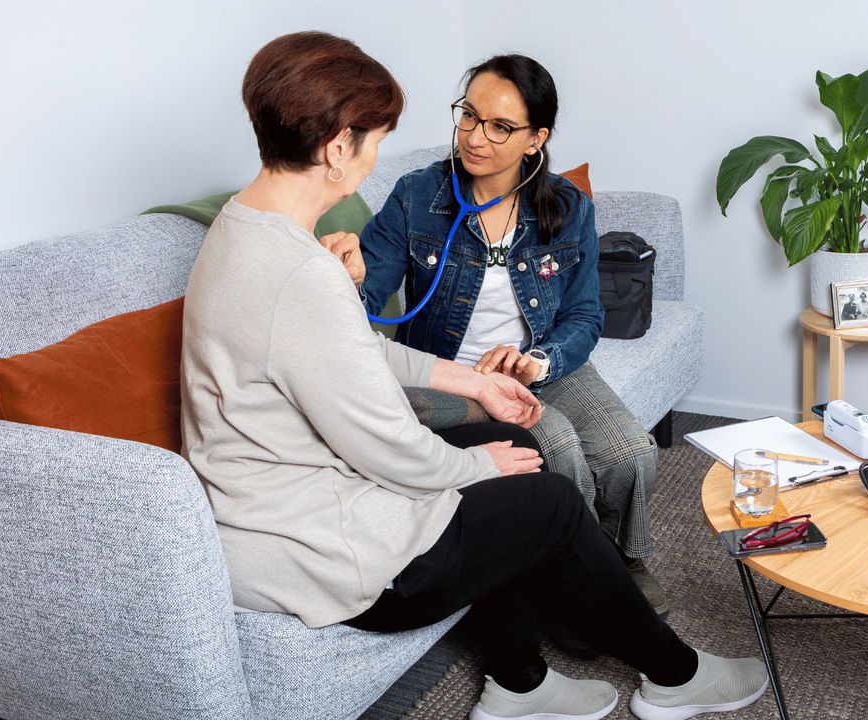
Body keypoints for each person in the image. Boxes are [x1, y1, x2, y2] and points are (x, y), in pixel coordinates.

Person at [180, 31, 767, 720]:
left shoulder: (243, 229)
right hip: (323, 551)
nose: (373, 162)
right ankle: (677, 676)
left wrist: (476, 385)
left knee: (514, 454)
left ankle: (518, 683)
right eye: (372, 143)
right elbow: (385, 443)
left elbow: (354, 349)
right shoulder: (304, 271)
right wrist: (479, 469)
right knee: (539, 493)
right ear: (339, 147)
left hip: (285, 509)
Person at [358, 54, 668, 616]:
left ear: (535, 138)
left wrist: (539, 361)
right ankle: (570, 581)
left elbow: (584, 316)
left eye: (500, 127)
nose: (476, 138)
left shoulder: (569, 207)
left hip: (546, 363)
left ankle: (621, 560)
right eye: (468, 116)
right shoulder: (416, 197)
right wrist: (344, 275)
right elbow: (359, 301)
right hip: (455, 377)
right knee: (560, 450)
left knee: (630, 453)